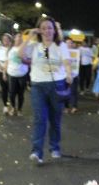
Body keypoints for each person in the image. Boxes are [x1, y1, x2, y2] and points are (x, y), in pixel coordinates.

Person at [20, 17, 73, 164]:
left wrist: (69, 74)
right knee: (39, 119)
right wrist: (30, 35)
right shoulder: (34, 45)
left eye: (50, 27)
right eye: (43, 28)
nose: (47, 31)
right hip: (38, 85)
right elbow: (20, 55)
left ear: (54, 30)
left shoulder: (60, 45)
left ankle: (54, 147)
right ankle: (37, 151)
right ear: (39, 30)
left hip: (57, 84)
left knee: (55, 119)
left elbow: (67, 61)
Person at [6, 32, 28, 116]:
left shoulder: (25, 48)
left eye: (21, 37)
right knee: (11, 93)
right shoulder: (10, 48)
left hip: (22, 73)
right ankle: (13, 107)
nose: (19, 38)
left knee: (21, 93)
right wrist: (4, 72)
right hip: (12, 74)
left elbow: (28, 60)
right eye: (18, 37)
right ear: (14, 38)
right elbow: (7, 61)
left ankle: (19, 109)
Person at [0, 33, 11, 114]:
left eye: (7, 39)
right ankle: (5, 106)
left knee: (12, 89)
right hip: (0, 71)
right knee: (4, 89)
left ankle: (13, 105)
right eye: (4, 39)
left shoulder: (12, 48)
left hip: (11, 71)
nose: (5, 41)